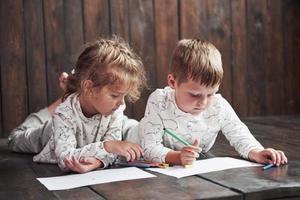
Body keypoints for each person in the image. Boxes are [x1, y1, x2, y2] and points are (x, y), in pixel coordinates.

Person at [138, 39, 288, 166]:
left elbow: (239, 133)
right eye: (194, 95)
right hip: (136, 140)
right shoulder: (159, 101)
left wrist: (257, 152)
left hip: (190, 160)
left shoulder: (218, 106)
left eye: (210, 94)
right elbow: (149, 147)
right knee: (128, 128)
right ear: (173, 82)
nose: (203, 103)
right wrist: (177, 157)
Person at [8, 37, 146, 173]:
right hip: (49, 133)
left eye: (124, 96)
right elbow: (65, 158)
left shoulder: (116, 109)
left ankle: (72, 92)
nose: (122, 103)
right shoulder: (64, 114)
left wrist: (98, 162)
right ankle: (66, 96)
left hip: (80, 125)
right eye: (115, 96)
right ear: (89, 87)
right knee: (14, 139)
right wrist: (107, 146)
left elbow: (113, 149)